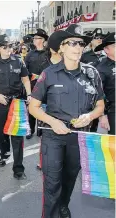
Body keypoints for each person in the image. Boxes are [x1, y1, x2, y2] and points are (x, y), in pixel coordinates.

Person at [29, 24, 105, 218]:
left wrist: (90, 116)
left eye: (81, 43)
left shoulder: (92, 74)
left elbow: (100, 106)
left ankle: (63, 204)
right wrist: (53, 122)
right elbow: (34, 107)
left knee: (70, 177)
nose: (78, 47)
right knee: (52, 181)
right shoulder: (49, 73)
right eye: (72, 43)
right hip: (53, 136)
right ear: (61, 48)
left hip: (79, 137)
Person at [0, 35, 31, 180]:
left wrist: (29, 95)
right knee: (2, 133)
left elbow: (25, 79)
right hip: (1, 102)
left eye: (10, 46)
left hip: (17, 101)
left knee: (18, 135)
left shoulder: (19, 61)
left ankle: (18, 168)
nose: (8, 49)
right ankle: (4, 153)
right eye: (5, 47)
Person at [35, 31, 62, 171]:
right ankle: (42, 160)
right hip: (45, 103)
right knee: (44, 134)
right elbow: (37, 82)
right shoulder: (43, 62)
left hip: (62, 103)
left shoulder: (68, 62)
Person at [25, 28, 48, 139]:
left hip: (46, 86)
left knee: (43, 108)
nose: (34, 39)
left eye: (37, 38)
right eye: (34, 38)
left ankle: (41, 129)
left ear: (43, 40)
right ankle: (30, 129)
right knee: (31, 109)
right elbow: (24, 71)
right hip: (33, 86)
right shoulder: (30, 54)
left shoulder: (49, 53)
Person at [94, 32, 115, 135]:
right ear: (106, 50)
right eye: (115, 45)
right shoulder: (101, 68)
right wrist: (102, 115)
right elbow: (97, 93)